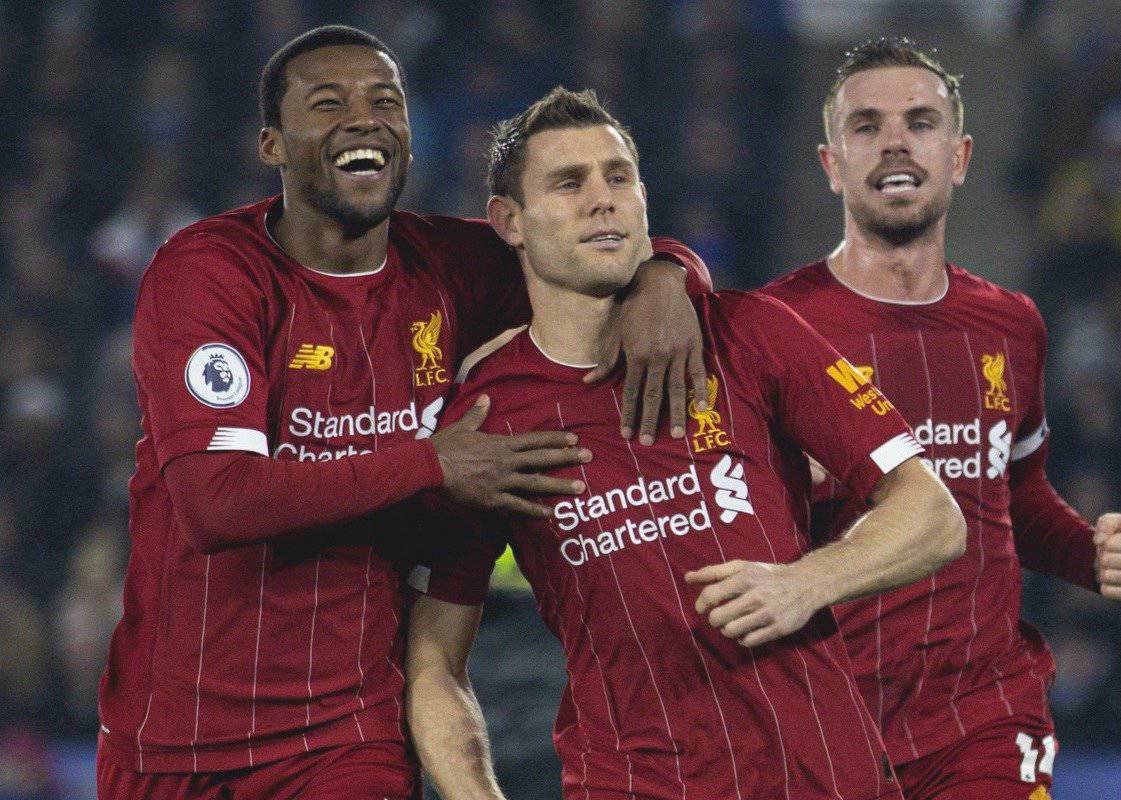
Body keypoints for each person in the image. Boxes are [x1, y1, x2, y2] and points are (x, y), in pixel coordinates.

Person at [96, 25, 712, 800]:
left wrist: (667, 274)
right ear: (273, 146)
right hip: (170, 740)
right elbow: (217, 500)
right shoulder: (210, 273)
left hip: (348, 735)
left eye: (386, 101)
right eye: (329, 104)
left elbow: (586, 247)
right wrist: (431, 463)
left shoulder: (448, 267)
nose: (365, 118)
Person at [405, 86, 967, 800]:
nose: (602, 199)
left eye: (618, 177)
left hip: (826, 778)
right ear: (508, 221)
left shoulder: (745, 334)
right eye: (568, 182)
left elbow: (934, 514)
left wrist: (807, 582)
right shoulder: (486, 415)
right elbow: (433, 663)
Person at [758, 37, 1121, 800]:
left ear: (962, 155)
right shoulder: (767, 329)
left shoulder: (1012, 324)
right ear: (831, 163)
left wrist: (1087, 554)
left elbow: (1016, 496)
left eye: (921, 121)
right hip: (821, 720)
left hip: (984, 716)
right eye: (867, 126)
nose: (896, 142)